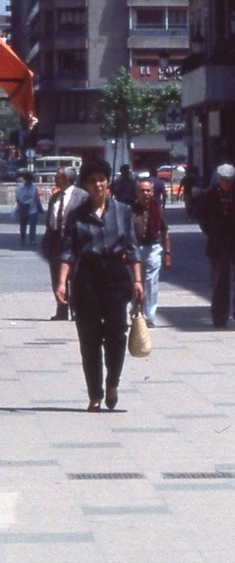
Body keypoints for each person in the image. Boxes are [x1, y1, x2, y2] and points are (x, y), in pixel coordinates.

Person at [53, 160, 145, 411]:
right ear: (85, 185)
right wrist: (62, 282)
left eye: (102, 179)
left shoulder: (123, 211)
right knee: (89, 338)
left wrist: (137, 280)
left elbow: (133, 248)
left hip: (116, 276)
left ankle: (112, 382)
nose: (98, 185)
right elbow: (67, 251)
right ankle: (95, 393)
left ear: (108, 182)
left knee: (117, 334)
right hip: (87, 279)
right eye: (92, 180)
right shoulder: (76, 216)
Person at [194, 163, 235, 327]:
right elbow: (202, 218)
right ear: (218, 179)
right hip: (217, 243)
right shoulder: (209, 196)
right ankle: (220, 317)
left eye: (231, 181)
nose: (228, 184)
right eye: (225, 180)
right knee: (219, 281)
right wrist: (212, 233)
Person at [130, 176, 171, 326]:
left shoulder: (158, 209)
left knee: (151, 282)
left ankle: (149, 317)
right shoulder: (130, 210)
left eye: (148, 191)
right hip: (134, 250)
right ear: (137, 192)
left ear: (152, 192)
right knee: (135, 282)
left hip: (153, 248)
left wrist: (167, 254)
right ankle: (135, 310)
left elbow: (165, 232)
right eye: (142, 191)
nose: (145, 193)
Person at [41, 169, 76, 322]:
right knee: (57, 277)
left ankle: (77, 310)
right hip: (55, 241)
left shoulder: (81, 196)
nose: (55, 179)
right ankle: (62, 310)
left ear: (67, 179)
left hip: (74, 243)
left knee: (75, 278)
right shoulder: (55, 197)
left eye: (58, 177)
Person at [14, 174, 41, 246]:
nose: (29, 182)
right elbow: (17, 198)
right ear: (25, 180)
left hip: (33, 209)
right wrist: (20, 207)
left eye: (30, 180)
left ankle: (32, 239)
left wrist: (39, 207)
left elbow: (37, 198)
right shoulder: (20, 187)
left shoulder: (34, 188)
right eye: (28, 180)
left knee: (33, 225)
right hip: (23, 208)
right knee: (23, 225)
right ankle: (23, 238)